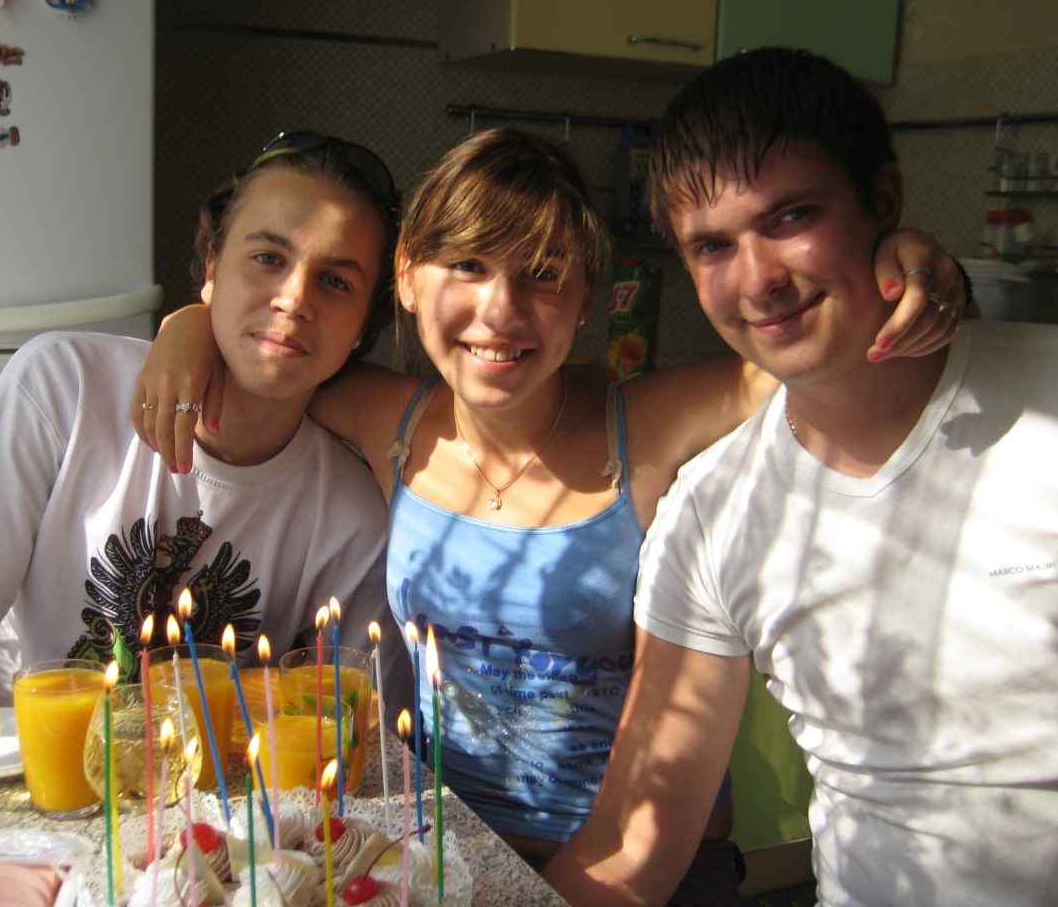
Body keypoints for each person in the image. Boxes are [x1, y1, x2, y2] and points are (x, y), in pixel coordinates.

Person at [133, 127, 965, 902]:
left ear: (587, 293)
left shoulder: (645, 425)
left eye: (542, 272)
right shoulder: (391, 419)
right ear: (408, 278)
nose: (501, 310)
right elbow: (269, 354)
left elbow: (845, 354)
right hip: (446, 857)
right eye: (467, 265)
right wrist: (188, 324)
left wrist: (900, 270)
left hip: (644, 873)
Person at [543, 48, 1058, 907]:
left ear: (883, 200)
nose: (759, 281)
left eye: (791, 217)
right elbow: (632, 841)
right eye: (712, 246)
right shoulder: (712, 512)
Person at [0, 132, 412, 721]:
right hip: (6, 754)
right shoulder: (64, 386)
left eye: (336, 281)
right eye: (268, 258)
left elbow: (346, 725)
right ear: (212, 267)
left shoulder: (352, 518)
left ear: (364, 326)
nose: (294, 298)